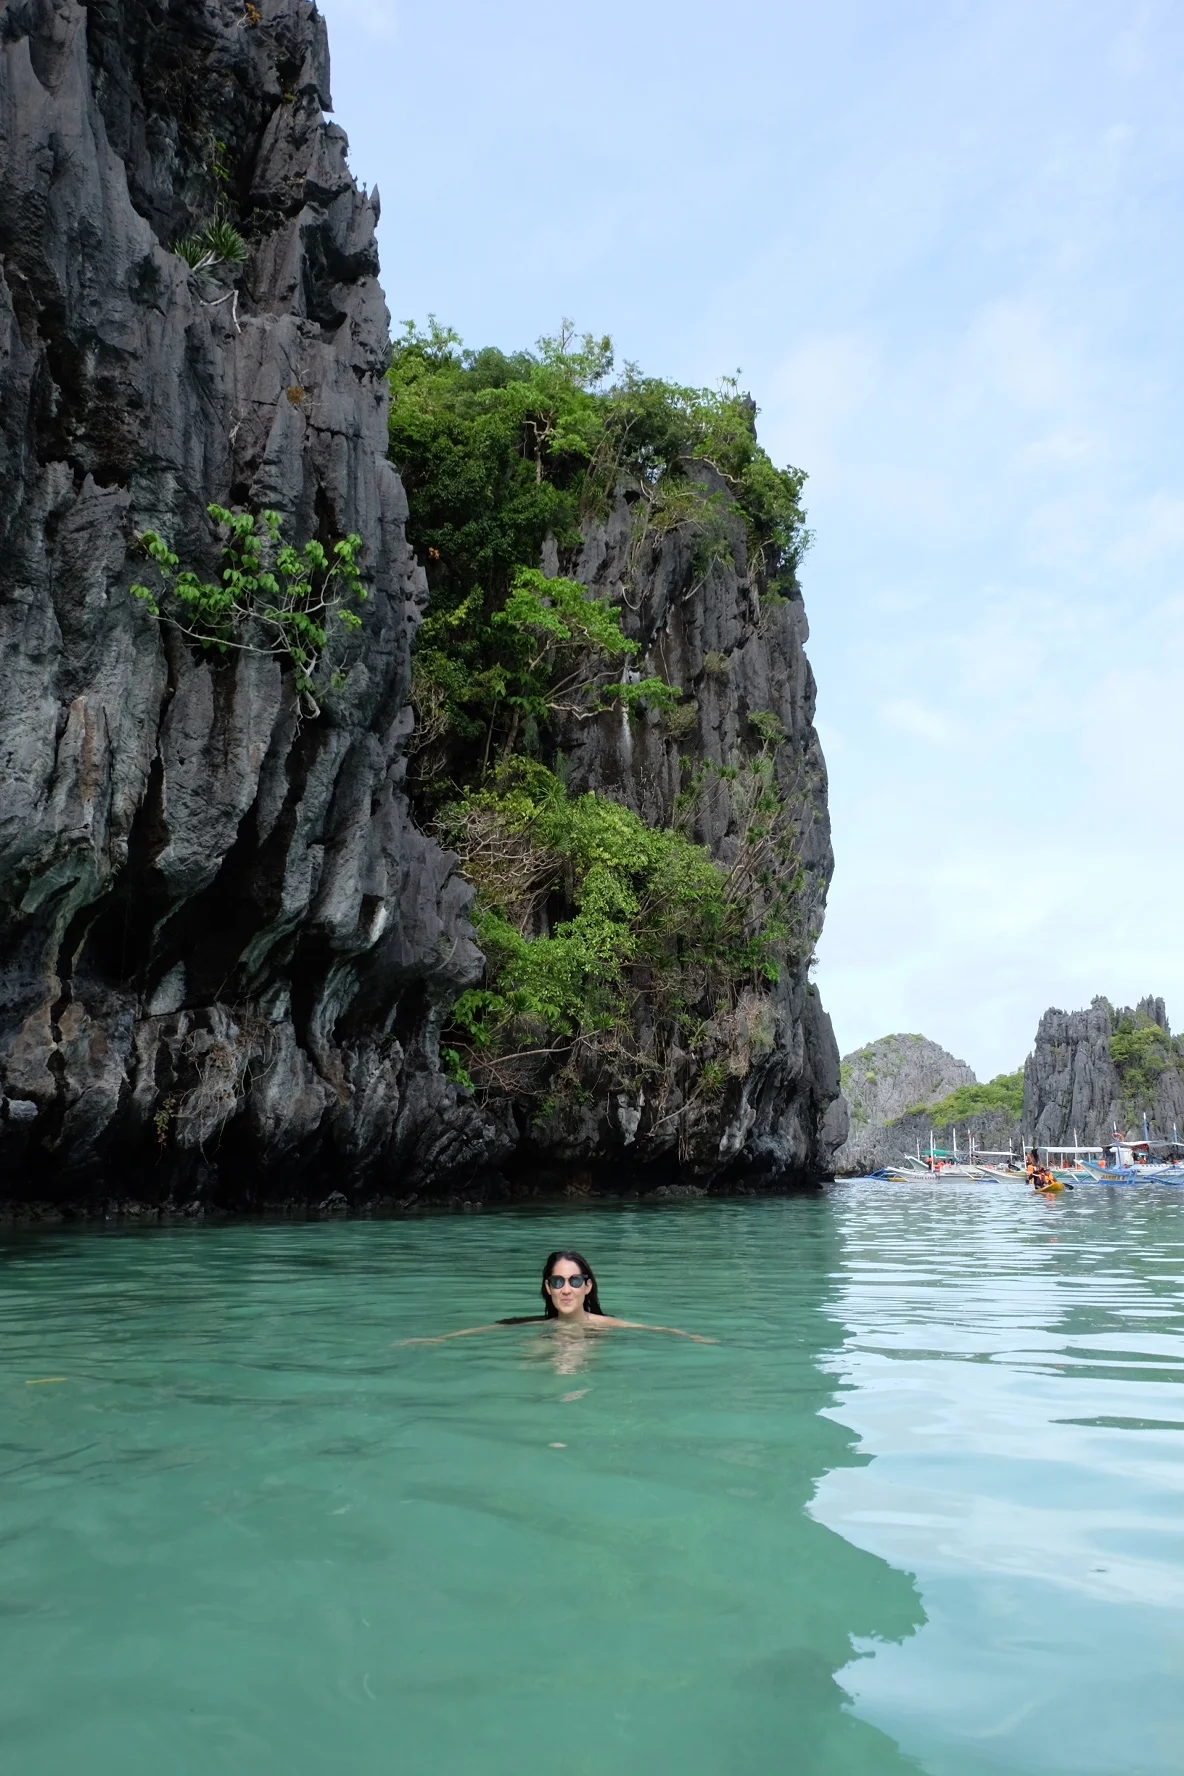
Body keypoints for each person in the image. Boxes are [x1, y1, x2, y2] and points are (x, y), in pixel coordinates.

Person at [397, 1249, 717, 1345]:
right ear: (548, 1288)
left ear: (588, 1286)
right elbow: (488, 1330)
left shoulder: (603, 1325)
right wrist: (437, 1340)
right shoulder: (536, 1325)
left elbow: (650, 1330)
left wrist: (689, 1336)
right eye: (558, 1281)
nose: (566, 1288)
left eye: (575, 1280)